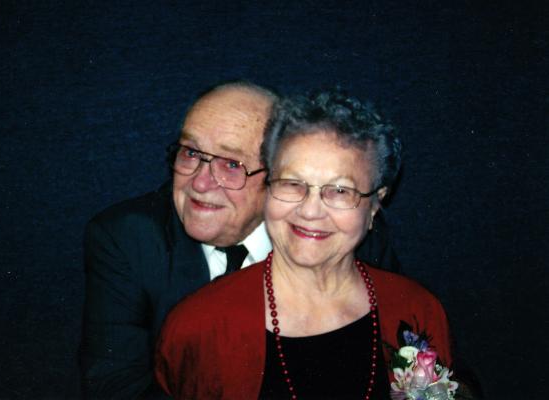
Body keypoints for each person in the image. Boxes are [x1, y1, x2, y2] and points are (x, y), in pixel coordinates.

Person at [80, 82, 400, 399]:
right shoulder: (128, 238)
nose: (200, 183)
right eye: (190, 153)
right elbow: (116, 387)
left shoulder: (340, 236)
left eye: (232, 164)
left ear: (278, 176)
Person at [155, 89, 454, 399]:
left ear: (375, 205)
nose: (310, 211)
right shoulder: (198, 327)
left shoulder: (417, 310)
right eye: (292, 184)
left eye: (340, 191)